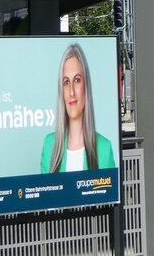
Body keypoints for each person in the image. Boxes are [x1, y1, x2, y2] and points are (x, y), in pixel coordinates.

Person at [41, 43, 117, 173]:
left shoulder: (103, 148)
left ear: (86, 86)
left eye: (77, 80)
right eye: (66, 82)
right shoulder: (49, 145)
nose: (71, 92)